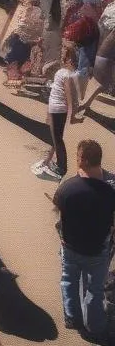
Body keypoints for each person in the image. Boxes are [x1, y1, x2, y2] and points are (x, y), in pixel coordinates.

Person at [53, 139, 115, 338]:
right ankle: (95, 325)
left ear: (84, 161)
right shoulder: (110, 192)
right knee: (94, 290)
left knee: (69, 281)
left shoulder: (67, 188)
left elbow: (58, 213)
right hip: (97, 251)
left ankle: (72, 317)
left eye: (78, 157)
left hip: (70, 247)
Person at [34, 43, 84, 180]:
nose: (61, 57)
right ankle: (48, 161)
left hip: (58, 109)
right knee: (55, 137)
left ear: (69, 59)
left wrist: (72, 115)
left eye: (63, 55)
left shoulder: (68, 74)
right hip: (54, 107)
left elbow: (69, 96)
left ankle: (61, 167)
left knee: (57, 139)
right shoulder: (64, 72)